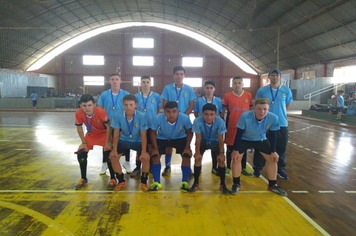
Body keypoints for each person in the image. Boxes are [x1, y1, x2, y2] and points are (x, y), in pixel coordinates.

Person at [231, 98, 287, 196]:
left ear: (268, 109)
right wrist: (235, 150)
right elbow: (238, 134)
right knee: (236, 158)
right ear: (254, 109)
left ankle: (272, 185)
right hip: (245, 139)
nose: (262, 112)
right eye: (259, 109)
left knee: (272, 159)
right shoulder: (245, 116)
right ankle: (236, 184)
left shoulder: (273, 118)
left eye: (265, 109)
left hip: (260, 139)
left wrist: (273, 151)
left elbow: (273, 135)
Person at [253, 68, 293, 179]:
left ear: (280, 77)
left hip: (281, 124)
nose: (275, 77)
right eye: (272, 75)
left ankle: (280, 169)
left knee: (281, 147)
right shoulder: (262, 91)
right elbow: (258, 105)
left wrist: (281, 113)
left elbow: (287, 105)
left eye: (277, 75)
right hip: (265, 124)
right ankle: (257, 169)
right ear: (269, 77)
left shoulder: (286, 90)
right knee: (261, 146)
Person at [74, 94, 116, 190]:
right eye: (84, 106)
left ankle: (113, 178)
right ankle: (83, 178)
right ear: (81, 105)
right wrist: (83, 142)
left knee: (108, 153)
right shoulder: (78, 113)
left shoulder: (101, 112)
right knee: (81, 153)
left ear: (94, 105)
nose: (87, 108)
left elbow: (109, 127)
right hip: (90, 134)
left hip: (104, 134)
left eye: (89, 105)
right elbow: (79, 128)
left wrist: (108, 142)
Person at [109, 94, 150, 192]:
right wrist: (114, 149)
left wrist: (144, 152)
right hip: (124, 140)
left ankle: (144, 181)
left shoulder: (142, 116)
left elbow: (144, 135)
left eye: (131, 105)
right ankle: (121, 181)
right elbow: (116, 133)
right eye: (126, 105)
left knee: (146, 158)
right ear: (123, 105)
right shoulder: (118, 115)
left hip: (138, 141)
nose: (128, 107)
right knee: (113, 158)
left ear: (135, 105)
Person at [149, 101, 193, 192]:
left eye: (174, 111)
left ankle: (184, 182)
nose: (171, 114)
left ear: (178, 112)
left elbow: (189, 132)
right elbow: (152, 132)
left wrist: (187, 147)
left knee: (186, 156)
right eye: (168, 111)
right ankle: (157, 182)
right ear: (164, 112)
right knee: (155, 156)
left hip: (179, 137)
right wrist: (155, 148)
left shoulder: (184, 118)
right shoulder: (158, 118)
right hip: (163, 137)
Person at [161, 66, 196, 176]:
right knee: (169, 143)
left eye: (181, 74)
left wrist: (182, 118)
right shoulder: (167, 88)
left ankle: (187, 167)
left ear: (184, 76)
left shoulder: (189, 89)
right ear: (173, 75)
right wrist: (171, 116)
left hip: (184, 120)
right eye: (177, 74)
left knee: (185, 142)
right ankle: (167, 165)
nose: (179, 76)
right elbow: (165, 104)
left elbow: (191, 105)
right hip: (170, 118)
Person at [189, 103, 229, 194]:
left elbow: (220, 139)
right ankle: (195, 183)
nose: (209, 117)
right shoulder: (197, 121)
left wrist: (221, 153)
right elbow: (198, 138)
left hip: (216, 142)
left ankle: (223, 184)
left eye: (212, 114)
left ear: (216, 114)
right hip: (203, 141)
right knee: (197, 159)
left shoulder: (220, 121)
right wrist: (197, 152)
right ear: (202, 114)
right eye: (206, 114)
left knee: (221, 161)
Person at [97, 73, 130, 175]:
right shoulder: (104, 95)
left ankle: (127, 162)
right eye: (112, 79)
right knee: (106, 143)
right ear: (109, 81)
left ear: (120, 81)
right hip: (108, 124)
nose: (115, 81)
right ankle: (104, 163)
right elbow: (99, 109)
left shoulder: (126, 94)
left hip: (123, 124)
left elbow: (130, 109)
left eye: (117, 79)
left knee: (126, 142)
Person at [222, 77, 254, 178]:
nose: (237, 85)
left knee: (243, 148)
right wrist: (223, 121)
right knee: (230, 147)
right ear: (232, 85)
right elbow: (223, 110)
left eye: (239, 83)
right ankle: (228, 167)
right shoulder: (227, 96)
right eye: (235, 83)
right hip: (232, 125)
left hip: (245, 127)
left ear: (242, 84)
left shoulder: (248, 95)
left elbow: (251, 109)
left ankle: (243, 167)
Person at [131, 75, 162, 177]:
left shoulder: (156, 96)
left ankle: (151, 166)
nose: (145, 84)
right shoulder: (136, 96)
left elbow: (157, 110)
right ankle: (137, 166)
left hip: (152, 126)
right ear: (140, 83)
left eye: (147, 82)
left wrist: (155, 122)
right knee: (140, 147)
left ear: (150, 83)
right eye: (143, 82)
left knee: (152, 145)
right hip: (140, 126)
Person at [194, 80, 223, 175]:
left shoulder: (218, 100)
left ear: (214, 89)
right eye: (207, 88)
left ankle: (214, 167)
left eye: (211, 88)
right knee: (199, 146)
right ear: (204, 89)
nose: (209, 90)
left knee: (215, 150)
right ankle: (199, 167)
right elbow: (196, 113)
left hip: (214, 128)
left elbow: (220, 112)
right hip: (203, 128)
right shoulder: (199, 101)